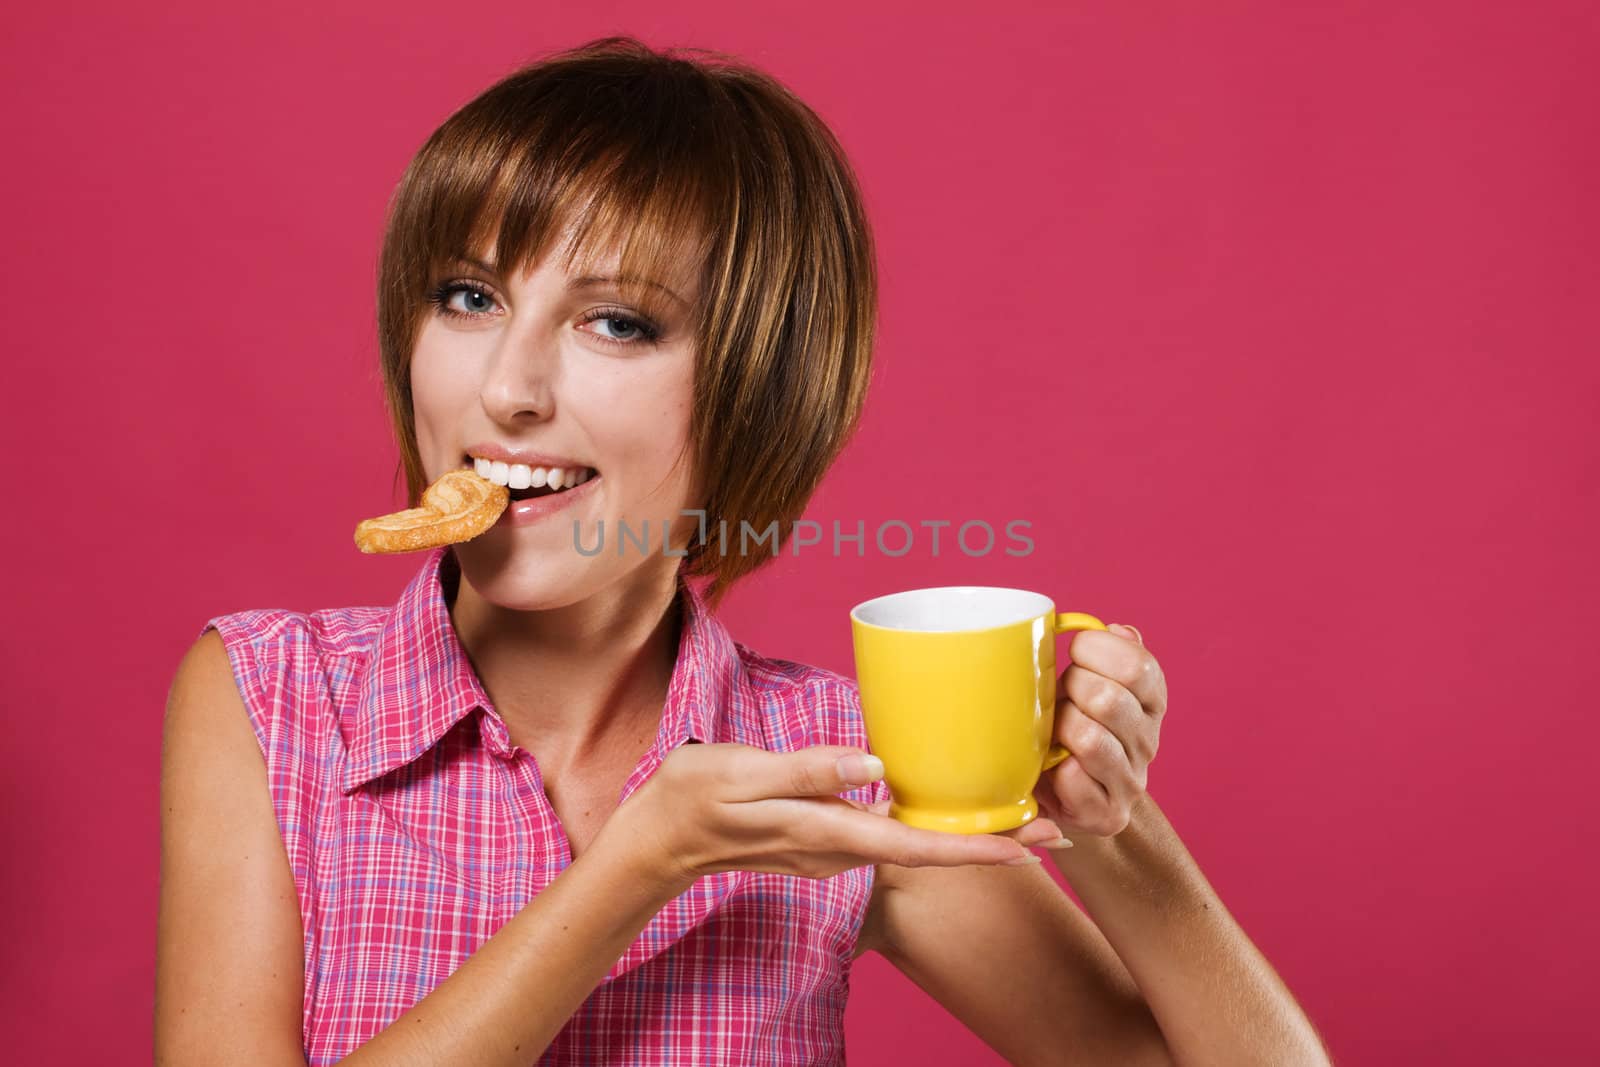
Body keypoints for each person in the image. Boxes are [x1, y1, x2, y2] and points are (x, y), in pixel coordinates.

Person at [154, 36, 1332, 1067]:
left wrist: (1110, 820)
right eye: (466, 297)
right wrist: (635, 871)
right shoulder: (273, 699)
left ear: (750, 404)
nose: (505, 389)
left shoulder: (831, 776)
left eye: (615, 322)